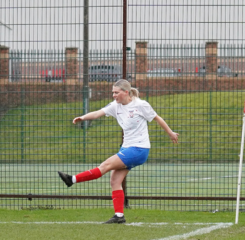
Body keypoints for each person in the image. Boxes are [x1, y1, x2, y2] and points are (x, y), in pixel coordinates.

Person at [57, 79, 179, 224]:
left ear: (126, 92)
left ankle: (72, 180)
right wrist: (82, 118)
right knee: (115, 180)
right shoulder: (116, 106)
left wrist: (171, 133)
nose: (114, 95)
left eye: (116, 92)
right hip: (127, 148)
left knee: (105, 165)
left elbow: (157, 118)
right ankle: (119, 216)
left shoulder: (140, 105)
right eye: (113, 92)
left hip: (139, 149)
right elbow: (98, 113)